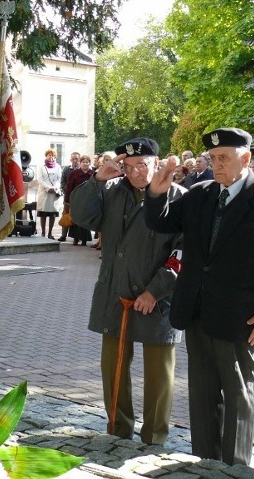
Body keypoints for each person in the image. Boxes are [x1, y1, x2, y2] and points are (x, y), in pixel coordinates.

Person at [144, 127, 254, 466]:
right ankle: (205, 461)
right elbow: (162, 224)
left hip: (241, 315)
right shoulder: (199, 194)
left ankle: (235, 466)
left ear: (246, 159)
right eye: (213, 158)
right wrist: (156, 194)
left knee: (237, 392)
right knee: (201, 393)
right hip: (197, 309)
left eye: (223, 158)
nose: (216, 164)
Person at [71, 138, 184, 445]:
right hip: (115, 292)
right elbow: (81, 216)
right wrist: (96, 179)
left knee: (159, 374)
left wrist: (155, 290)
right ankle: (118, 429)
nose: (135, 173)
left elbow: (183, 253)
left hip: (157, 300)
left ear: (157, 164)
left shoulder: (178, 198)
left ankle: (154, 436)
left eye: (142, 165)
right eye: (129, 166)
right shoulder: (110, 190)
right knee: (114, 368)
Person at [65, 154, 95, 245]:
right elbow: (69, 187)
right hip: (76, 200)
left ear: (89, 163)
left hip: (88, 200)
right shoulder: (74, 173)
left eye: (87, 162)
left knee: (85, 220)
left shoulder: (93, 174)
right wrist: (67, 200)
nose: (85, 164)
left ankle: (84, 239)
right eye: (83, 162)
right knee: (75, 219)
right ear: (80, 163)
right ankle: (75, 238)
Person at [34, 148, 63, 238]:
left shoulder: (58, 166)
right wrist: (48, 188)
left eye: (53, 155)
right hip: (44, 192)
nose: (51, 157)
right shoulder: (41, 166)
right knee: (43, 213)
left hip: (54, 192)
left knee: (52, 214)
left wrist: (55, 188)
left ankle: (50, 233)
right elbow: (40, 179)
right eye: (50, 155)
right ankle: (43, 233)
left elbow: (59, 179)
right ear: (46, 156)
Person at [58, 151, 81, 241]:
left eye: (77, 159)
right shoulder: (67, 169)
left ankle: (76, 237)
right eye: (73, 159)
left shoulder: (81, 169)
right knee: (66, 215)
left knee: (77, 216)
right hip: (68, 197)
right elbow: (62, 181)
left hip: (79, 198)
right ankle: (63, 235)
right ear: (71, 159)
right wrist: (67, 190)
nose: (75, 160)